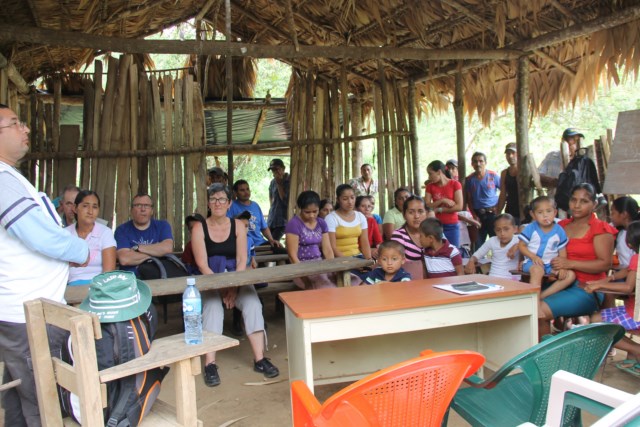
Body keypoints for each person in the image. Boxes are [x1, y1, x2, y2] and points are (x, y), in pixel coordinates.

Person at [0, 104, 89, 425]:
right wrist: (80, 251)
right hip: (28, 317)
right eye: (15, 123)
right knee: (42, 401)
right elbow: (40, 236)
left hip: (25, 311)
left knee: (19, 397)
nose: (24, 129)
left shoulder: (9, 178)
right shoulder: (2, 181)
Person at [191, 184, 278, 386]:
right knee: (213, 308)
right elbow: (202, 264)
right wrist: (221, 288)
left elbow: (242, 261)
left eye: (222, 199)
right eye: (213, 199)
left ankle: (259, 359)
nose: (217, 203)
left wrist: (233, 288)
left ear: (230, 203)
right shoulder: (199, 227)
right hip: (210, 278)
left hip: (237, 278)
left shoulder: (238, 226)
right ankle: (210, 364)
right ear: (208, 203)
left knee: (253, 304)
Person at [538, 184, 617, 336]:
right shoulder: (561, 226)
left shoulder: (600, 228)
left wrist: (570, 263)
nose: (577, 205)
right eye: (573, 200)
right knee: (525, 305)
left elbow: (605, 264)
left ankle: (545, 356)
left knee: (538, 310)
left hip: (587, 288)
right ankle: (543, 352)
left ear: (594, 204)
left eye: (584, 201)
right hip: (557, 282)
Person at [586, 220, 640, 372]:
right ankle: (634, 353)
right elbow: (629, 270)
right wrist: (609, 278)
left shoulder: (638, 258)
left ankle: (637, 350)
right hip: (633, 310)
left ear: (629, 244)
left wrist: (599, 285)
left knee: (598, 327)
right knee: (597, 319)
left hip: (636, 314)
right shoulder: (636, 259)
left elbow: (628, 287)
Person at [518, 196, 576, 291]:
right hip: (532, 263)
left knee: (570, 275)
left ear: (555, 212)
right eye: (540, 212)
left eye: (549, 211)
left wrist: (562, 267)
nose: (545, 215)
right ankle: (534, 300)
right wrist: (533, 257)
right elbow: (521, 245)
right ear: (533, 215)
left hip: (550, 265)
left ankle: (543, 296)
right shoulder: (530, 228)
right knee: (538, 270)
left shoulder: (559, 231)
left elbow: (562, 251)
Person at [285, 190, 336, 289]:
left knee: (351, 279)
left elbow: (328, 250)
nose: (312, 215)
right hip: (301, 267)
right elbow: (292, 256)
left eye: (315, 211)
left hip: (319, 264)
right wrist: (304, 278)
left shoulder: (321, 223)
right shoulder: (294, 224)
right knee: (326, 287)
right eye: (307, 212)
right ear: (300, 209)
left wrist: (333, 268)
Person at [65, 190, 117, 286]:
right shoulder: (65, 234)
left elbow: (108, 273)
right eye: (85, 206)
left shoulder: (105, 233)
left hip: (99, 287)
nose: (90, 211)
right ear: (75, 208)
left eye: (95, 207)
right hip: (69, 287)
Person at [114, 193, 174, 275]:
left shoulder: (162, 226)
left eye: (146, 205)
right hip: (132, 280)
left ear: (152, 210)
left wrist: (138, 248)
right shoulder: (122, 230)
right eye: (138, 205)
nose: (143, 209)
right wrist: (157, 252)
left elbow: (167, 248)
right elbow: (124, 259)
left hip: (159, 277)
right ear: (131, 210)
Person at [228, 179, 282, 249]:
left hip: (260, 243)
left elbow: (264, 228)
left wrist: (271, 240)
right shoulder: (231, 206)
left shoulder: (255, 205)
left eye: (247, 189)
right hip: (243, 244)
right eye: (242, 190)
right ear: (235, 193)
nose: (246, 192)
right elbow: (227, 225)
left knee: (282, 250)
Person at [464, 214, 520, 278]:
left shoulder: (520, 240)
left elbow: (530, 233)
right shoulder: (492, 241)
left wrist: (518, 245)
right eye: (498, 230)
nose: (502, 233)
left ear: (515, 229)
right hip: (493, 279)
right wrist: (471, 261)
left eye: (506, 229)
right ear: (494, 231)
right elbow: (477, 255)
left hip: (513, 280)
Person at [464, 151, 500, 247]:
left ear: (485, 163)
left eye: (481, 161)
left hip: (492, 214)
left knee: (497, 242)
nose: (478, 164)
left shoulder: (493, 176)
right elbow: (469, 199)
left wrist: (498, 207)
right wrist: (474, 215)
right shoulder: (469, 179)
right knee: (478, 245)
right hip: (478, 216)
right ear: (472, 164)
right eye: (475, 162)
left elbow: (504, 192)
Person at [326, 184, 372, 260]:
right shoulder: (331, 218)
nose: (350, 202)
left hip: (358, 257)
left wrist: (369, 260)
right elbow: (332, 247)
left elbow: (365, 242)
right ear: (338, 200)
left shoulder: (360, 216)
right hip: (340, 260)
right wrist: (351, 263)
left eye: (352, 198)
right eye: (345, 199)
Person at [390, 196, 432, 279]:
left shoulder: (433, 232)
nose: (416, 216)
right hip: (408, 283)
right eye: (411, 212)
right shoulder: (399, 235)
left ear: (426, 213)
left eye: (420, 211)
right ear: (404, 215)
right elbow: (395, 265)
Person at [425, 160, 463, 247]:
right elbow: (426, 205)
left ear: (439, 172)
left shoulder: (455, 184)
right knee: (437, 252)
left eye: (430, 174)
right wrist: (442, 200)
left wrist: (439, 209)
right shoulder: (430, 186)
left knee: (453, 251)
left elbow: (459, 207)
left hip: (452, 226)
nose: (429, 177)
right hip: (435, 226)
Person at [608, 196, 639, 282]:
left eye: (613, 213)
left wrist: (613, 266)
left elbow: (630, 263)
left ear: (624, 214)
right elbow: (619, 255)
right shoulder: (620, 232)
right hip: (621, 270)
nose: (611, 216)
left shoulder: (634, 234)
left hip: (632, 274)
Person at [496, 143, 521, 224]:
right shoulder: (504, 173)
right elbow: (503, 194)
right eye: (508, 154)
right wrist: (498, 213)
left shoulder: (524, 171)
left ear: (518, 154)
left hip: (523, 209)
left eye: (513, 153)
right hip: (510, 209)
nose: (510, 156)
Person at [267, 158, 290, 241]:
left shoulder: (289, 180)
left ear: (283, 168)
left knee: (273, 242)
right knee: (269, 242)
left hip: (282, 221)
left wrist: (279, 184)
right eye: (273, 170)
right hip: (272, 219)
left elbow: (286, 201)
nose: (275, 172)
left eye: (277, 169)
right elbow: (271, 200)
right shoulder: (273, 182)